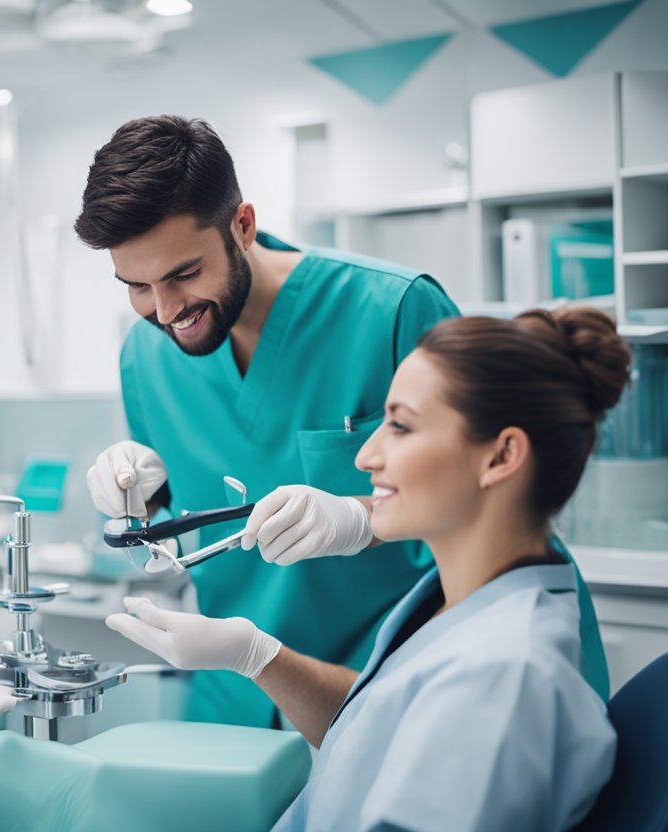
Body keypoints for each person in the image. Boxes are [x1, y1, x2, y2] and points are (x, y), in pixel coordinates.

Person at [79, 115, 609, 727]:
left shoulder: (393, 309)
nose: (167, 311)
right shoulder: (144, 358)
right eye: (137, 286)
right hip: (240, 695)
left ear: (242, 226)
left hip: (406, 680)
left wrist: (361, 520)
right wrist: (138, 506)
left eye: (184, 274)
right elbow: (167, 530)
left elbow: (507, 490)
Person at [106, 307, 626, 830]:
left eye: (399, 426)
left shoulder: (504, 681)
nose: (365, 456)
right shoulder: (466, 603)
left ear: (501, 456)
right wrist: (255, 654)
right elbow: (378, 730)